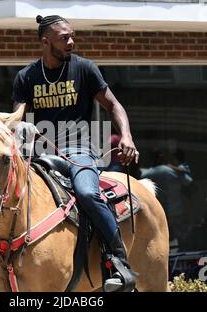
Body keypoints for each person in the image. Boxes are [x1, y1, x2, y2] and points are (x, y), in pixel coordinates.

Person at [12, 15, 139, 292]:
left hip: (79, 151)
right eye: (63, 37)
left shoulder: (84, 69)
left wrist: (127, 135)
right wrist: (19, 128)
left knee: (86, 193)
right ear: (46, 41)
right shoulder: (26, 77)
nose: (71, 41)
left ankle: (117, 260)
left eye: (71, 35)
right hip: (41, 157)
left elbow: (114, 105)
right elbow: (18, 117)